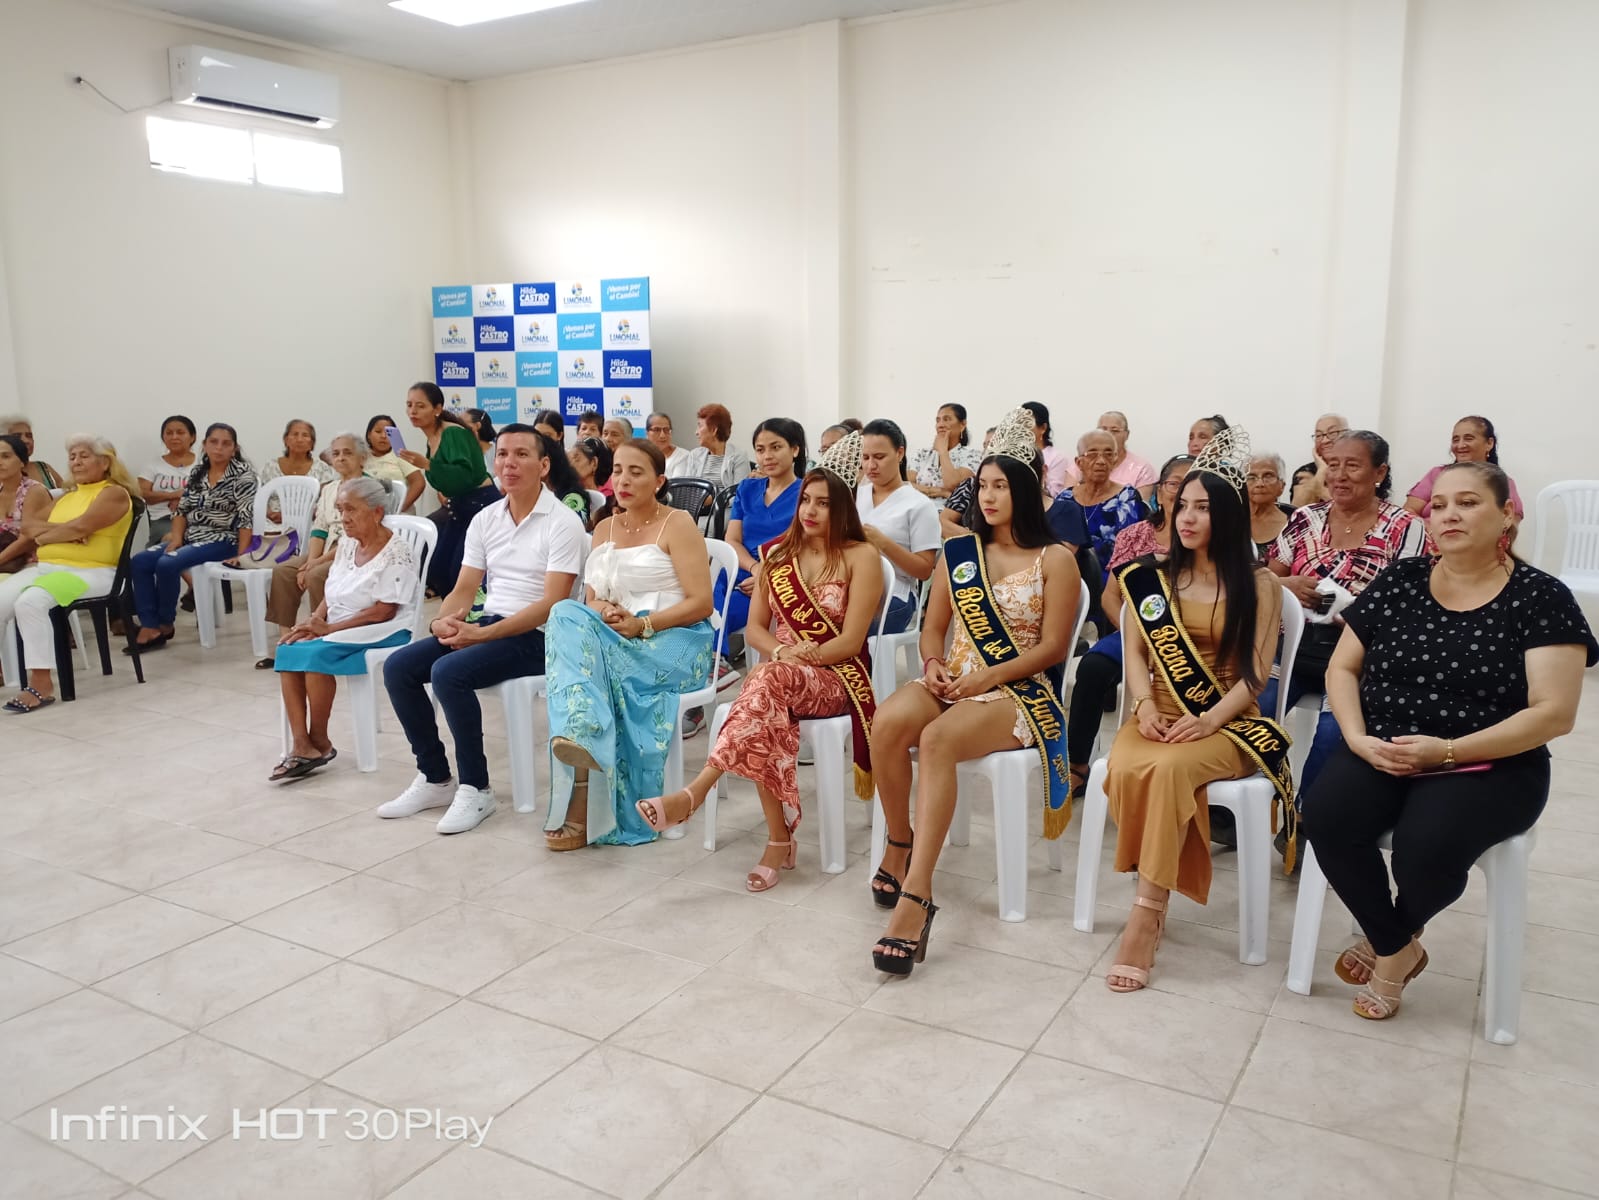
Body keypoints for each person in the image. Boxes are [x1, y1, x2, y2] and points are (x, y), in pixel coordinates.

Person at [1306, 461, 1596, 1020]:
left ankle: (1390, 939)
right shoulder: (1403, 579)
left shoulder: (1541, 597)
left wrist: (1446, 751)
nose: (1448, 515)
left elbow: (1554, 714)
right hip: (1385, 742)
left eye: (1467, 502)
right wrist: (1357, 738)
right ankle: (1397, 946)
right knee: (1328, 816)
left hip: (1490, 760)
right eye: (1438, 505)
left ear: (1506, 515)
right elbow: (1342, 669)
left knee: (1427, 846)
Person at [869, 408, 1080, 975]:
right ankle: (899, 841)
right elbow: (933, 627)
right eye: (983, 485)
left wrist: (989, 676)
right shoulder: (961, 553)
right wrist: (933, 663)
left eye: (1001, 486)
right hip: (954, 675)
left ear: (1025, 491)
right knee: (886, 723)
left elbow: (1054, 647)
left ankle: (917, 894)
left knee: (937, 739)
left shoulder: (1056, 559)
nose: (987, 496)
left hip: (1017, 690)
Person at [635, 438, 882, 891]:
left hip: (836, 677)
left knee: (763, 682)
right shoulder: (778, 555)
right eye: (805, 500)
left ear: (844, 508)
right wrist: (784, 653)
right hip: (781, 674)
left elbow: (850, 642)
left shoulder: (860, 557)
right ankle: (775, 837)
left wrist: (801, 656)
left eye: (824, 503)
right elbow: (755, 631)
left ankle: (697, 793)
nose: (809, 510)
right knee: (766, 700)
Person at [1103, 433, 1287, 991]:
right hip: (1156, 711)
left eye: (1202, 508)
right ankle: (1153, 893)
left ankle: (1147, 913)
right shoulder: (1151, 578)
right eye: (1182, 504)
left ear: (1227, 515)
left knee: (1168, 771)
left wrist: (1208, 720)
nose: (1186, 517)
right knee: (1129, 765)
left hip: (1228, 720)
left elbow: (1256, 676)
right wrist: (1142, 707)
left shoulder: (1259, 584)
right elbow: (1136, 653)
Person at [379, 425, 585, 835]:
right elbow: (464, 588)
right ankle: (435, 778)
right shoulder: (486, 518)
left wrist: (481, 635)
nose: (509, 463)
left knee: (449, 673)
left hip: (543, 636)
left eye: (522, 454)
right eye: (503, 454)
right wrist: (445, 621)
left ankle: (476, 788)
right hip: (492, 625)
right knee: (399, 667)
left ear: (544, 465)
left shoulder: (563, 522)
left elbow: (553, 603)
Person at [542, 439, 715, 849]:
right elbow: (592, 599)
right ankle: (582, 738)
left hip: (674, 639)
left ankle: (582, 795)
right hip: (619, 635)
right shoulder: (604, 527)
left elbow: (701, 603)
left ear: (659, 482)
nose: (623, 480)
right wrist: (606, 611)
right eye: (618, 470)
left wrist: (643, 624)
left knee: (589, 669)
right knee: (563, 613)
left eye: (636, 472)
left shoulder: (678, 524)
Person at [1262, 430, 1427, 856]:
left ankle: (1305, 819)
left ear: (1379, 472)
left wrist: (1357, 613)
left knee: (1335, 732)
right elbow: (1266, 578)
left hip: (1361, 655)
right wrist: (1287, 585)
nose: (1339, 475)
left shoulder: (1405, 527)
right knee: (1251, 709)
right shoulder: (1305, 518)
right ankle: (1238, 799)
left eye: (1352, 465)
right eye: (1332, 465)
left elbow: (1411, 601)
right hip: (1294, 646)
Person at [1063, 453, 1195, 801]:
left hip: (1196, 642)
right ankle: (1077, 764)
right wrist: (1139, 634)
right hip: (1137, 631)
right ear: (1160, 491)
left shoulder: (1208, 539)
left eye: (1191, 484)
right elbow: (1110, 596)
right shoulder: (1136, 535)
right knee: (1092, 667)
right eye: (1174, 483)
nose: (1182, 491)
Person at [271, 477, 418, 779]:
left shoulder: (396, 552)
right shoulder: (348, 544)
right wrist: (315, 621)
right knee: (288, 648)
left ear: (377, 512)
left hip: (382, 628)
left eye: (351, 509)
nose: (343, 518)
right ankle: (302, 744)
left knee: (314, 656)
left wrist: (330, 629)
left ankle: (319, 741)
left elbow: (384, 611)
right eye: (340, 509)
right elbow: (333, 589)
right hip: (338, 625)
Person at [1, 435, 137, 711]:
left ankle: (41, 684)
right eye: (72, 457)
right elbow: (28, 527)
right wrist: (67, 533)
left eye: (84, 456)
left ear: (105, 462)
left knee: (30, 602)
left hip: (91, 571)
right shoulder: (69, 495)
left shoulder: (114, 493)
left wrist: (52, 534)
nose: (76, 462)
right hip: (48, 568)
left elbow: (80, 527)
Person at [128, 423, 256, 651]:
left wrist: (242, 555)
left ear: (234, 448)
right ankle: (149, 624)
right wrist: (177, 538)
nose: (219, 448)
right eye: (213, 442)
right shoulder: (198, 472)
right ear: (204, 445)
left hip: (223, 539)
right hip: (192, 537)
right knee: (140, 561)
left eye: (226, 444)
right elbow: (181, 510)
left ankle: (164, 624)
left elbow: (247, 518)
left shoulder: (243, 477)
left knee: (167, 563)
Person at [259, 432, 371, 669]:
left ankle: (321, 637)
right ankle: (286, 641)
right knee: (284, 571)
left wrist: (315, 564)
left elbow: (357, 537)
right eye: (336, 454)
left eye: (348, 453)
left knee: (317, 574)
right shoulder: (330, 489)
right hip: (327, 549)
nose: (341, 458)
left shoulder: (369, 488)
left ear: (362, 458)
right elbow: (319, 529)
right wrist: (310, 560)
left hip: (356, 551)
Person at [714, 418, 806, 688]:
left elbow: (807, 549)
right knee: (705, 593)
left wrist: (767, 577)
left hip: (784, 577)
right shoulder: (748, 488)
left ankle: (712, 663)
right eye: (760, 449)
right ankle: (713, 663)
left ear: (795, 450)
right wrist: (756, 569)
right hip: (745, 569)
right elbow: (732, 539)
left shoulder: (807, 493)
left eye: (776, 447)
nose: (767, 456)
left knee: (717, 611)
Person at [396, 382, 497, 594]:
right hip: (459, 505)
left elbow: (463, 476)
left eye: (420, 406)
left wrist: (427, 464)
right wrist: (429, 466)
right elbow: (443, 482)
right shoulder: (431, 438)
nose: (413, 411)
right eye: (409, 405)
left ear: (437, 409)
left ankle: (465, 614)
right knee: (438, 570)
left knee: (457, 573)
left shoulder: (452, 433)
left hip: (480, 503)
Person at [856, 422, 940, 634]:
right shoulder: (857, 495)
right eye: (865, 457)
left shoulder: (919, 505)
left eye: (879, 457)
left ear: (899, 453)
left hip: (894, 594)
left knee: (848, 626)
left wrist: (883, 543)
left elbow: (924, 570)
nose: (871, 465)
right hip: (853, 585)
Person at [1050, 430, 1148, 580]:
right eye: (1092, 454)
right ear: (1079, 462)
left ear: (1115, 460)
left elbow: (1132, 554)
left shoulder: (1127, 498)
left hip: (1113, 580)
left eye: (1108, 454)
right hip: (1069, 578)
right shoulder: (1065, 498)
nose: (1101, 461)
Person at [1404, 415, 1524, 521]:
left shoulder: (1503, 483)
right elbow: (1408, 512)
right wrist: (1430, 530)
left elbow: (1509, 527)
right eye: (1455, 440)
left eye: (1468, 438)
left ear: (1489, 443)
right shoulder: (1437, 474)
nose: (1460, 445)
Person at [258, 420, 337, 532]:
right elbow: (258, 496)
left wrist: (292, 517)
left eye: (305, 435)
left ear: (312, 444)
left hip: (308, 524)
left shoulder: (321, 468)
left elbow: (326, 502)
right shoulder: (270, 466)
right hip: (273, 524)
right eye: (295, 434)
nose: (299, 439)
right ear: (286, 440)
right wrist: (269, 513)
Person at [137, 415, 197, 549]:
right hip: (163, 519)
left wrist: (184, 499)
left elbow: (215, 493)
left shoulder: (204, 464)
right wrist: (172, 495)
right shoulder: (153, 465)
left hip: (197, 519)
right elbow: (142, 493)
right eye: (169, 433)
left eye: (180, 432)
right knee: (175, 540)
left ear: (192, 437)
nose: (174, 437)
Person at [0, 434, 50, 574]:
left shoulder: (34, 491)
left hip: (28, 563)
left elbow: (28, 539)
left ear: (22, 462)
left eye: (6, 456)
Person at [909, 403, 982, 500]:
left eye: (946, 419)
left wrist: (943, 451)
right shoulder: (922, 453)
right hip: (918, 507)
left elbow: (953, 485)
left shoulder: (973, 455)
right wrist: (936, 491)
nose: (940, 425)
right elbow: (905, 485)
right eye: (938, 420)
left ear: (962, 425)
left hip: (948, 509)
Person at [362, 414, 425, 512]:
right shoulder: (361, 458)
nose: (383, 436)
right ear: (369, 435)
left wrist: (399, 508)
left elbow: (418, 482)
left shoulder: (401, 455)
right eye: (378, 432)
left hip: (399, 514)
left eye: (388, 433)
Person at [679, 403, 745, 491]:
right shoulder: (694, 455)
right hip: (698, 500)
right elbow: (687, 489)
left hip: (725, 500)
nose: (696, 432)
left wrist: (711, 497)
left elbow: (741, 493)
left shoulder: (738, 457)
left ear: (714, 430)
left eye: (700, 426)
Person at [1290, 413, 1349, 508]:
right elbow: (1296, 510)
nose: (1325, 441)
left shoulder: (1356, 469)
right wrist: (1322, 470)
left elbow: (1352, 509)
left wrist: (1320, 491)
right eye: (1318, 435)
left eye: (1332, 433)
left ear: (1348, 435)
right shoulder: (1306, 471)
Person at [1096, 411, 1158, 500]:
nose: (1108, 435)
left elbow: (1139, 506)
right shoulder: (1084, 462)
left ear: (1126, 435)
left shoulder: (1142, 469)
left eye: (1115, 431)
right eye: (1103, 430)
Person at [1020, 401, 1070, 499]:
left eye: (1027, 423)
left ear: (1043, 428)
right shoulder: (1012, 453)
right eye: (1018, 423)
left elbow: (1055, 495)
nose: (1021, 429)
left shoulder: (1057, 458)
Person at [1247, 453, 1293, 555]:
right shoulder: (1228, 519)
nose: (1259, 484)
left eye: (1268, 476)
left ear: (1281, 486)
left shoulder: (1296, 524)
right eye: (1251, 477)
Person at [2, 417, 62, 490]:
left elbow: (68, 491)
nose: (26, 440)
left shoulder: (44, 468)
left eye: (29, 436)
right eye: (17, 436)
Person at [570, 435, 614, 507]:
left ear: (594, 463)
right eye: (570, 457)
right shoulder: (566, 496)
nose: (570, 463)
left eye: (576, 458)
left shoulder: (608, 503)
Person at [646, 411, 693, 477]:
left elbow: (677, 483)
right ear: (647, 433)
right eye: (657, 430)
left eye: (666, 430)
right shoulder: (642, 455)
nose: (662, 435)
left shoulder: (683, 456)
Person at [462, 408, 498, 477]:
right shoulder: (460, 452)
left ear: (477, 426)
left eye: (462, 423)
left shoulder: (498, 451)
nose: (458, 426)